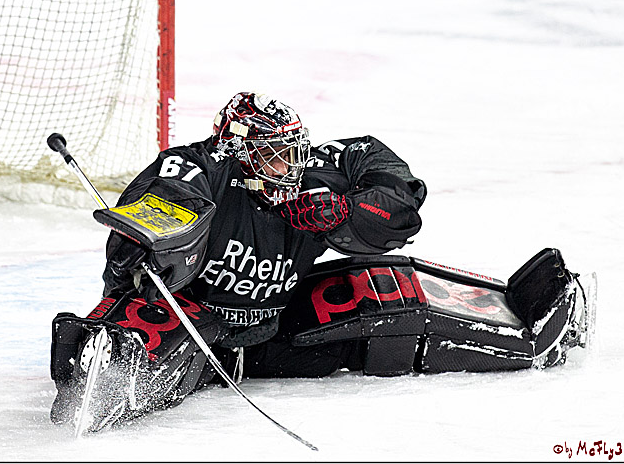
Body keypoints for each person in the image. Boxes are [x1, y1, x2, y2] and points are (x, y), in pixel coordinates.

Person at [49, 92, 594, 433]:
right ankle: (104, 356)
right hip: (202, 321)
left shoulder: (318, 173)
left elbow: (399, 193)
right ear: (239, 151)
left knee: (384, 295)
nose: (290, 165)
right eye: (274, 153)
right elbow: (160, 209)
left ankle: (525, 322)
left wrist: (342, 214)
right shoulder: (197, 167)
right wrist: (152, 247)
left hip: (276, 323)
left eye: (293, 149)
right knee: (156, 330)